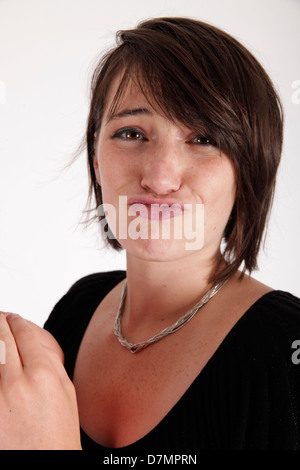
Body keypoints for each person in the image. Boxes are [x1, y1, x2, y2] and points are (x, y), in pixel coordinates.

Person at [1, 17, 300, 451]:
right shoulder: (77, 309)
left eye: (203, 139)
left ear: (250, 168)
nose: (160, 178)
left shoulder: (284, 351)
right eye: (131, 133)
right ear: (97, 159)